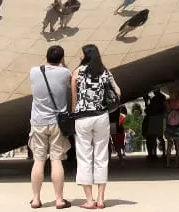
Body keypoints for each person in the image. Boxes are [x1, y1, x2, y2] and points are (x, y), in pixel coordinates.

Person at [71, 44, 121, 209]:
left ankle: (89, 200)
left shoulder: (77, 72)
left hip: (83, 117)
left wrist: (74, 113)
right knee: (101, 157)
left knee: (84, 157)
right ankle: (100, 199)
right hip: (101, 116)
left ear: (86, 55)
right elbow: (118, 92)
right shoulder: (105, 71)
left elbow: (74, 97)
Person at [28, 45, 72, 209]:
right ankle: (59, 199)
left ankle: (36, 199)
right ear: (61, 58)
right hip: (57, 123)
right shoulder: (65, 73)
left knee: (38, 161)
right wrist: (63, 64)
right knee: (56, 161)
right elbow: (69, 82)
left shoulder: (33, 71)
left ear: (46, 56)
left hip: (38, 121)